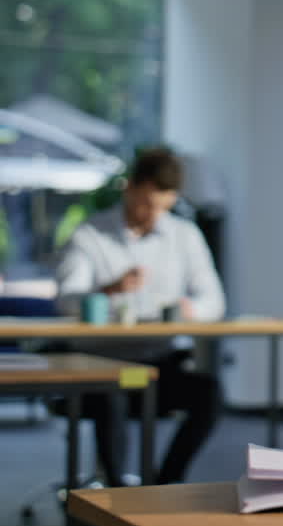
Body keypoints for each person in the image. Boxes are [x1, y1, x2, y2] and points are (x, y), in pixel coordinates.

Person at [56, 147, 225, 485]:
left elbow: (214, 302)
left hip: (158, 365)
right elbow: (66, 301)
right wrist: (109, 290)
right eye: (146, 204)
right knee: (112, 395)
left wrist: (190, 310)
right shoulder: (91, 234)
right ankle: (117, 501)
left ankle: (165, 484)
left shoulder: (184, 236)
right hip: (101, 366)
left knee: (209, 393)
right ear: (129, 187)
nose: (152, 216)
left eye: (162, 207)